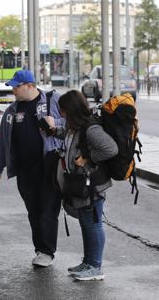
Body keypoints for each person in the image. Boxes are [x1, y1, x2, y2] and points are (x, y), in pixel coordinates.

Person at [0, 70, 64, 267]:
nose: (13, 90)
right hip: (25, 171)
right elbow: (3, 142)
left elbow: (75, 122)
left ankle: (47, 251)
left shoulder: (53, 100)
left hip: (49, 168)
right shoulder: (12, 111)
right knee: (33, 211)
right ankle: (40, 249)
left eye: (16, 86)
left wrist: (54, 123)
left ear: (30, 85)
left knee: (48, 211)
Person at [46, 90, 117, 281]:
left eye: (62, 109)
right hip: (81, 184)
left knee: (93, 224)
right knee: (87, 223)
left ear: (71, 109)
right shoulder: (75, 127)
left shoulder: (90, 129)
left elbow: (111, 149)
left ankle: (96, 267)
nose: (60, 113)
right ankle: (88, 262)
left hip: (92, 185)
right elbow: (70, 140)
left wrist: (88, 159)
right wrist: (54, 131)